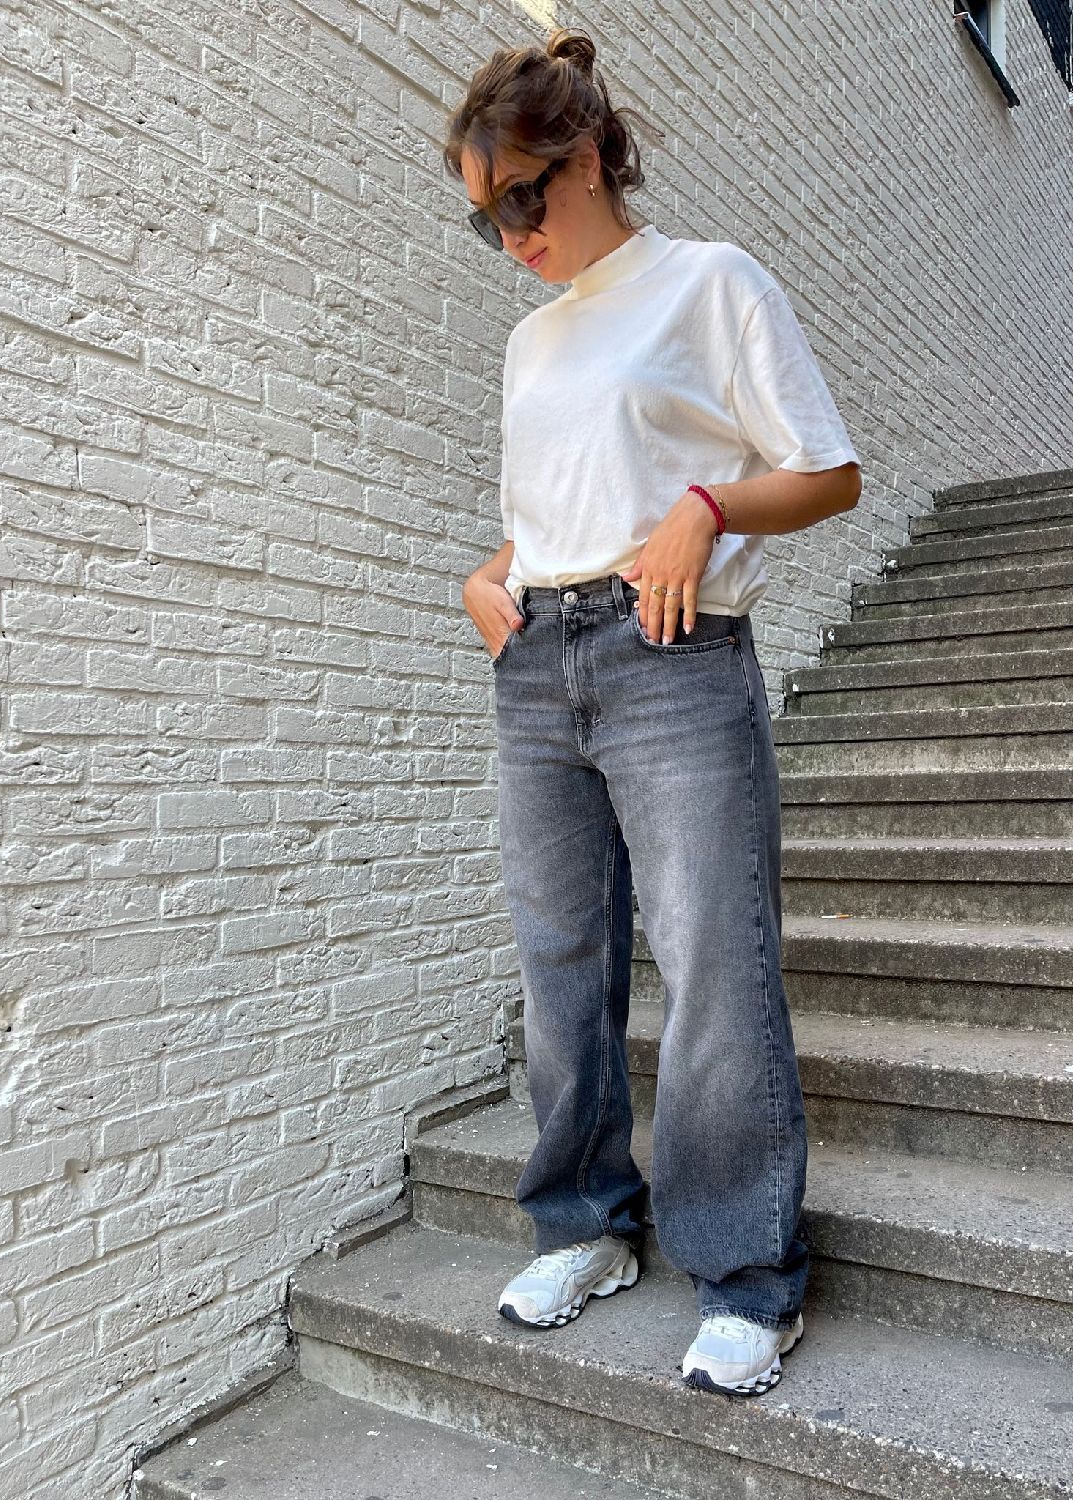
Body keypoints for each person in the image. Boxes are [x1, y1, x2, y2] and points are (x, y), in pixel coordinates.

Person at [443, 27, 862, 1398]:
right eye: (484, 218)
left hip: (671, 652)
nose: (511, 237)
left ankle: (743, 1273)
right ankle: (584, 1226)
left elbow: (827, 472)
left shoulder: (708, 281)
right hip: (538, 662)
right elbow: (554, 508)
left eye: (519, 199)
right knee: (561, 960)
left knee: (711, 963)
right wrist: (491, 578)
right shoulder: (530, 341)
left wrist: (706, 506)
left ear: (584, 159)